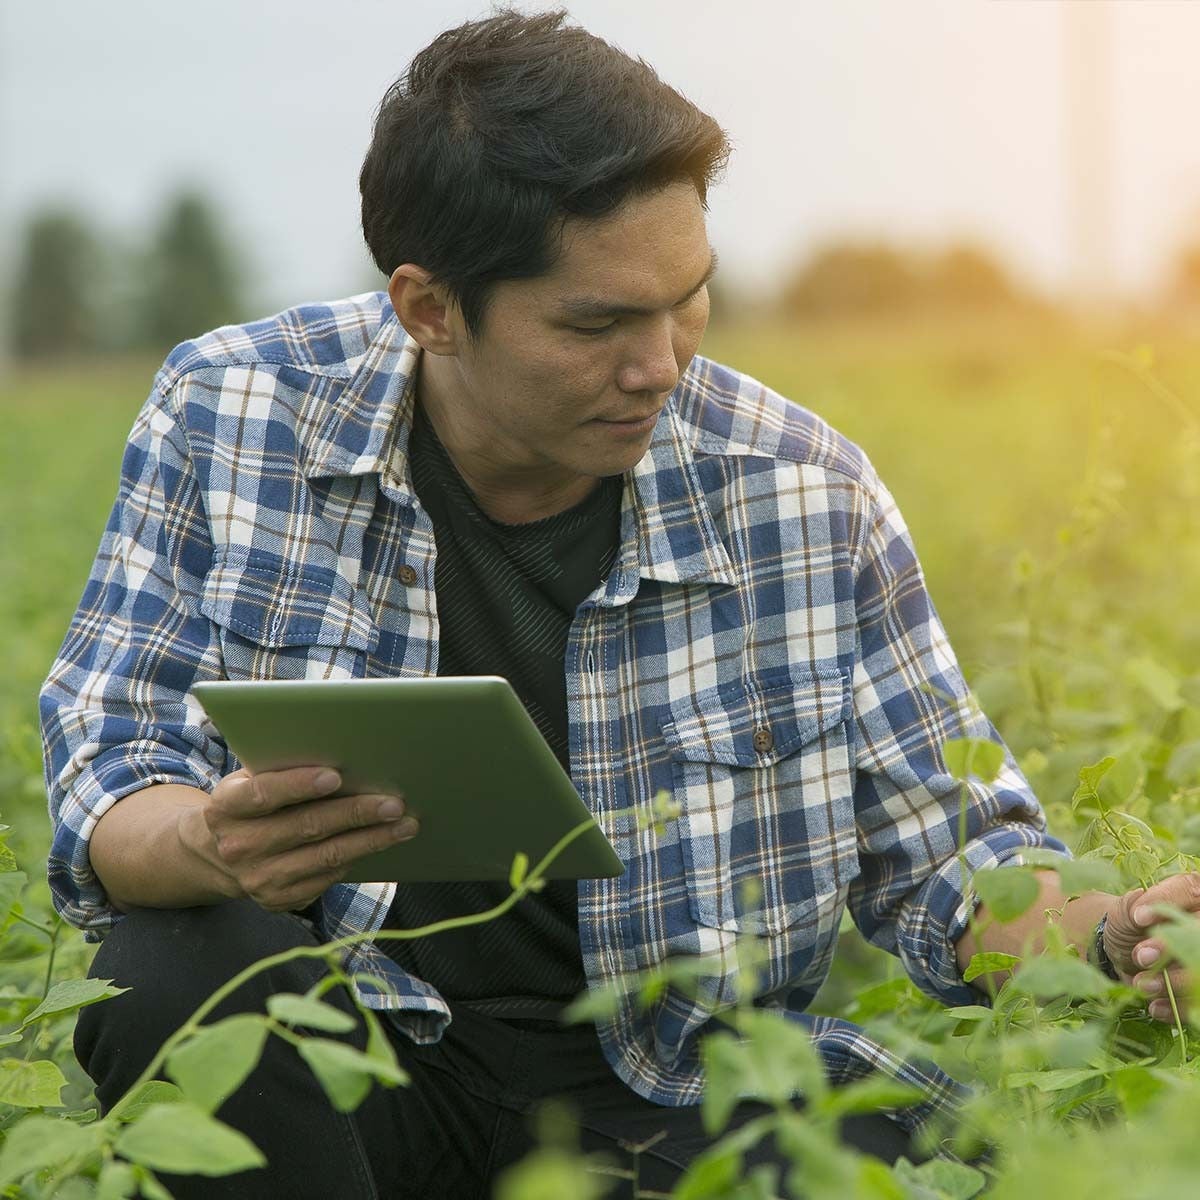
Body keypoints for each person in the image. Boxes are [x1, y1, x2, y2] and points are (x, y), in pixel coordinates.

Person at [38, 10, 1198, 1198]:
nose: (661, 365)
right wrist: (204, 841)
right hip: (363, 1062)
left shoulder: (800, 491)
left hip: (677, 1094)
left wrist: (1116, 938)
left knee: (924, 1155)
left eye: (687, 299)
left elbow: (956, 860)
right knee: (175, 962)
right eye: (597, 325)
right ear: (429, 308)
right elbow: (109, 760)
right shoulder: (237, 418)